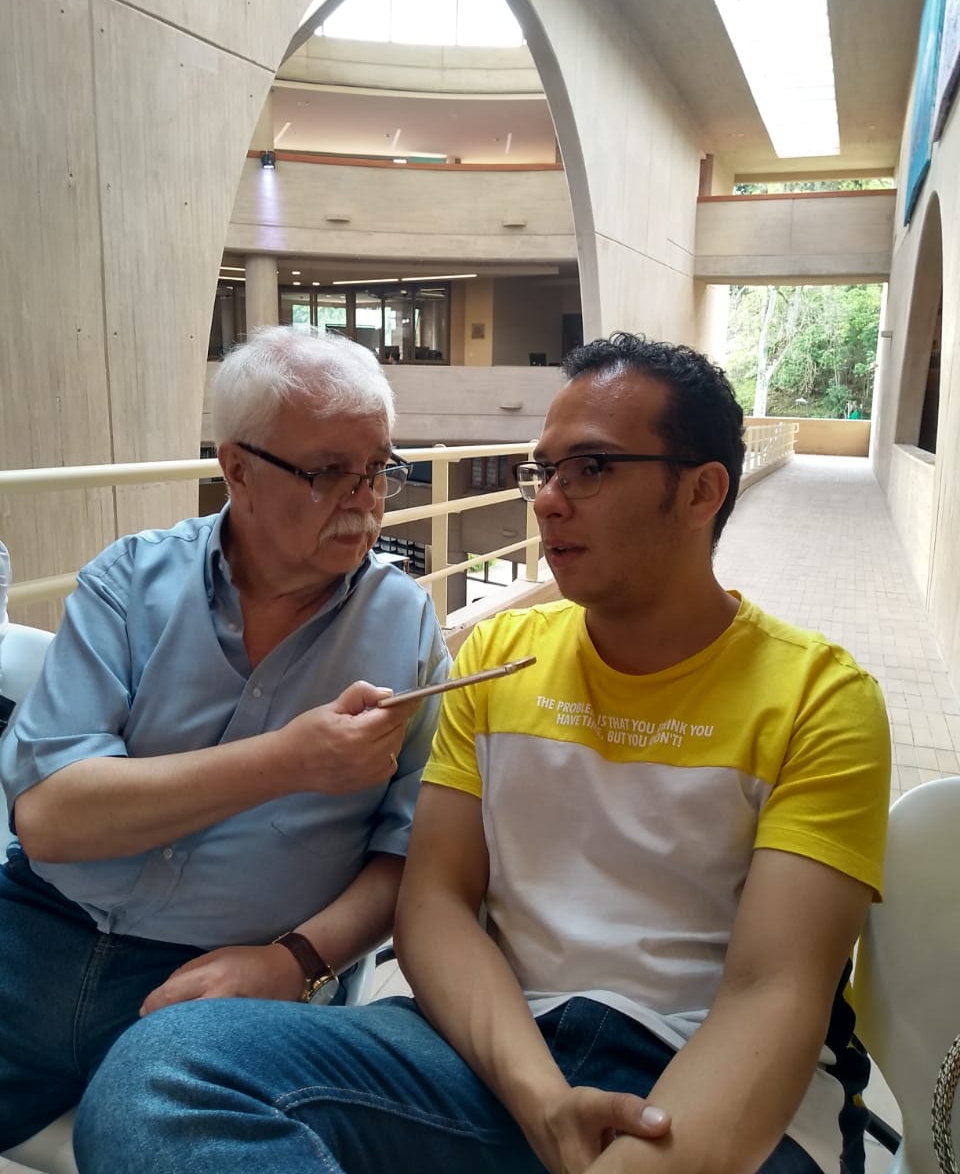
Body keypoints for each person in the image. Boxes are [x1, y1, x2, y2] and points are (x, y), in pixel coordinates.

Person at [74, 333, 890, 1174]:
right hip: (488, 1055)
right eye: (546, 471)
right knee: (162, 1073)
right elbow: (433, 903)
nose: (549, 501)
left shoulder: (820, 699)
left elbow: (775, 991)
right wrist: (541, 1101)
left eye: (591, 468)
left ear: (701, 491)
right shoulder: (502, 657)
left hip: (709, 1087)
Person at [0, 327, 449, 1149]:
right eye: (328, 473)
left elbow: (411, 857)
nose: (365, 500)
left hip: (235, 975)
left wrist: (296, 962)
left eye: (379, 468)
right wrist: (289, 761)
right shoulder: (131, 581)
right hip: (39, 930)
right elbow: (51, 818)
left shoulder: (405, 625)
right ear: (236, 467)